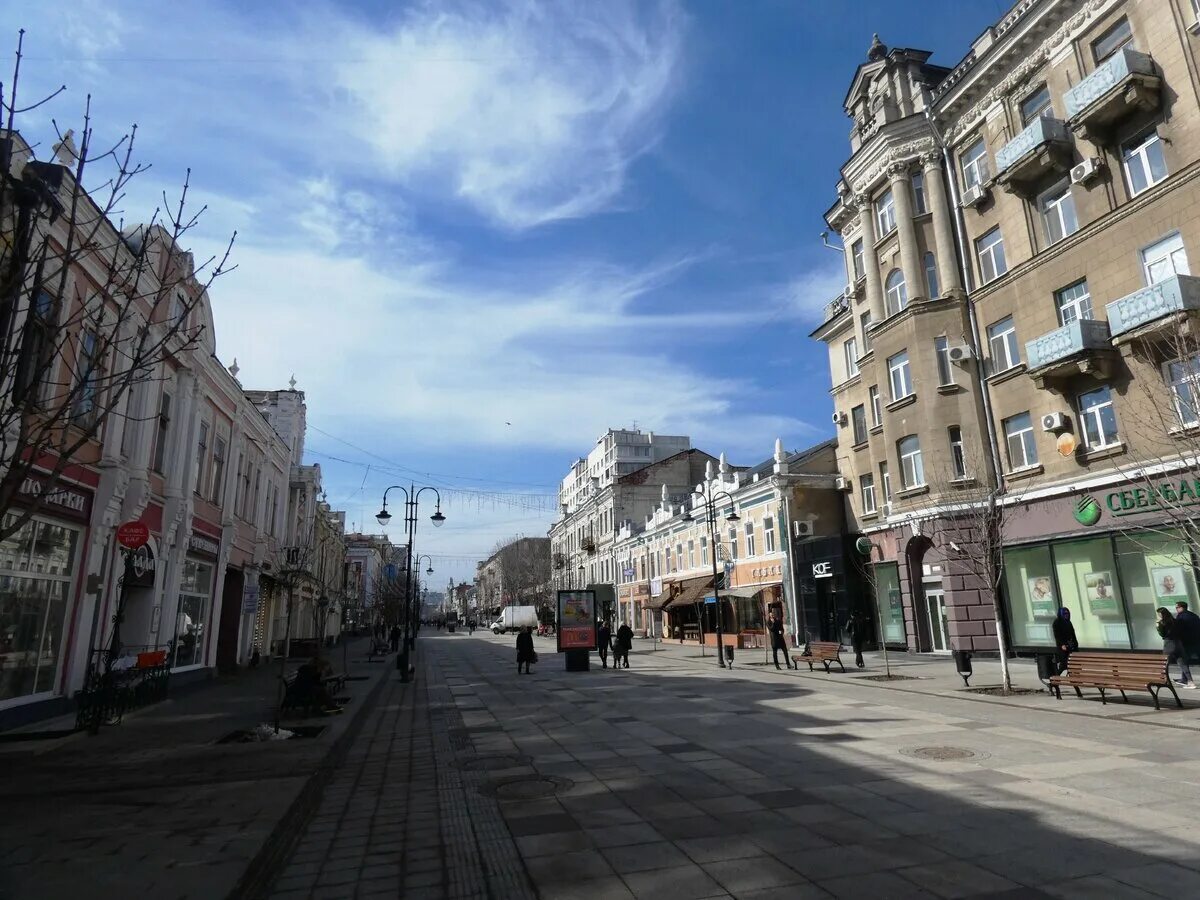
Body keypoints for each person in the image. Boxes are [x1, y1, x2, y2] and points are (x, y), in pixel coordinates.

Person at [1156, 607, 1194, 689]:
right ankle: (1190, 682)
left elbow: (1163, 634)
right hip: (1178, 643)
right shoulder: (1175, 621)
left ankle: (1164, 680)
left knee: (1164, 663)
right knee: (1182, 663)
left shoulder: (1162, 623)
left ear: (1161, 614)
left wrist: (1158, 626)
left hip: (1169, 644)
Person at [1175, 601, 1200, 687]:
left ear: (1181, 607)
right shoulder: (1194, 615)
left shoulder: (1181, 617)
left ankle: (1187, 680)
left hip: (1186, 642)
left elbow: (1178, 629)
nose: (1176, 609)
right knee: (1185, 660)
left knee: (1183, 660)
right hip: (1196, 641)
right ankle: (1184, 679)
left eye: (1177, 608)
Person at [1052, 607, 1078, 675]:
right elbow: (1057, 635)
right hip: (1062, 647)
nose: (1066, 615)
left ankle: (1075, 678)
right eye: (1064, 613)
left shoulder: (1068, 622)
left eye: (1067, 613)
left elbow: (1073, 634)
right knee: (1064, 664)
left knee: (1075, 662)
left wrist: (1075, 643)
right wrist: (1062, 644)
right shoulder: (1057, 622)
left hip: (1071, 645)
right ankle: (1055, 679)